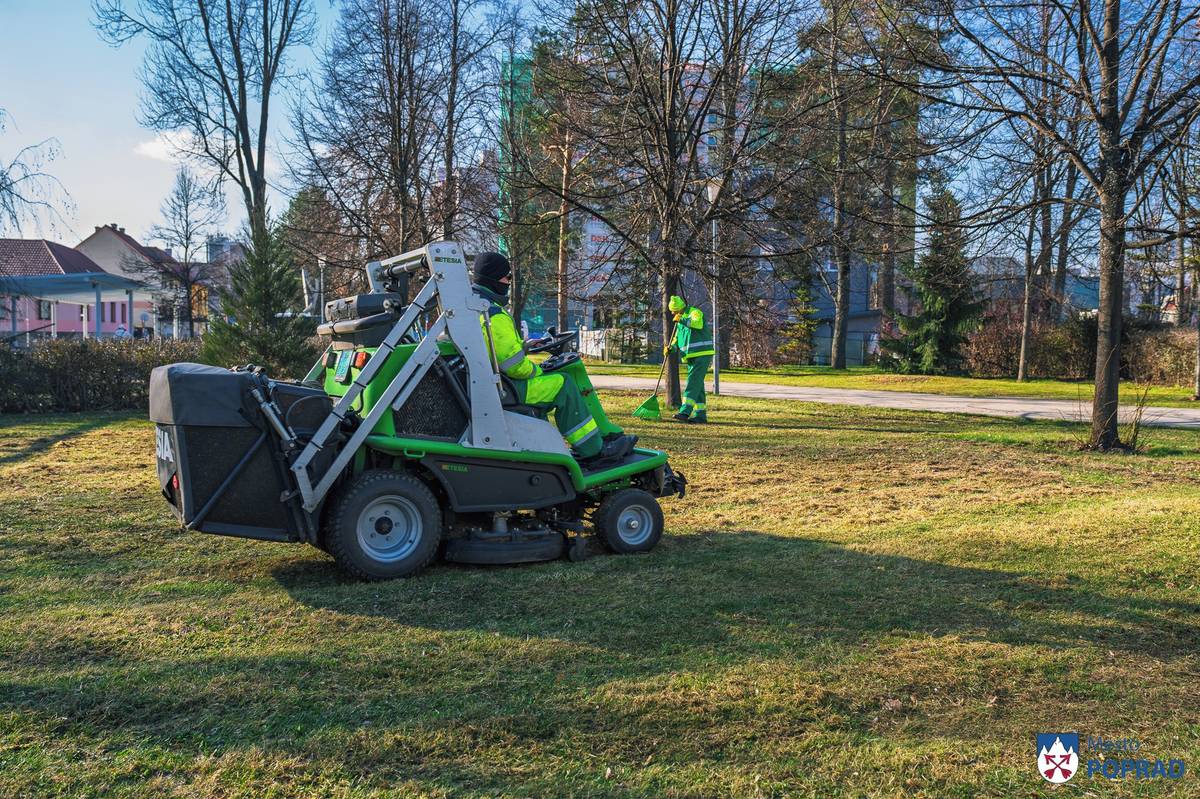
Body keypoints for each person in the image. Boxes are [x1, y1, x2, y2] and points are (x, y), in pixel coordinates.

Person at [472, 252, 635, 463]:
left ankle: (555, 445)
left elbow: (497, 351)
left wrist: (524, 346)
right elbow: (514, 367)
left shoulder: (476, 307)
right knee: (564, 384)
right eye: (507, 277)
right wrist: (538, 370)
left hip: (493, 385)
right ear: (493, 278)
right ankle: (594, 450)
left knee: (555, 382)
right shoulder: (493, 313)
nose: (509, 282)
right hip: (505, 389)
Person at [667, 294, 714, 423]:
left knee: (692, 383)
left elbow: (697, 324)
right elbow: (677, 338)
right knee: (697, 385)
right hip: (691, 356)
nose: (672, 313)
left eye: (674, 311)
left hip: (702, 354)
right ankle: (700, 415)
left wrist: (682, 320)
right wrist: (671, 348)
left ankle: (684, 412)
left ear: (679, 309)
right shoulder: (679, 321)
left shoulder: (694, 312)